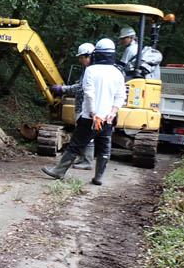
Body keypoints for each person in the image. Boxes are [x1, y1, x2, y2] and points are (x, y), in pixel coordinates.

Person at [42, 38, 126, 186]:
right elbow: (120, 96)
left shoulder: (91, 70)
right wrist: (112, 113)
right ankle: (98, 177)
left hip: (90, 118)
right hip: (108, 119)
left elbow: (89, 93)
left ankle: (59, 171)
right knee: (104, 147)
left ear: (96, 54)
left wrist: (94, 113)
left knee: (75, 145)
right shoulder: (118, 72)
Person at [50, 42, 95, 170]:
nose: (80, 60)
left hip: (86, 108)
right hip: (84, 106)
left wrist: (62, 89)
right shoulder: (90, 70)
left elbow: (80, 88)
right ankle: (84, 159)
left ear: (89, 56)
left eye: (82, 58)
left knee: (85, 136)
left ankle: (85, 161)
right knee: (86, 136)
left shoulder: (91, 71)